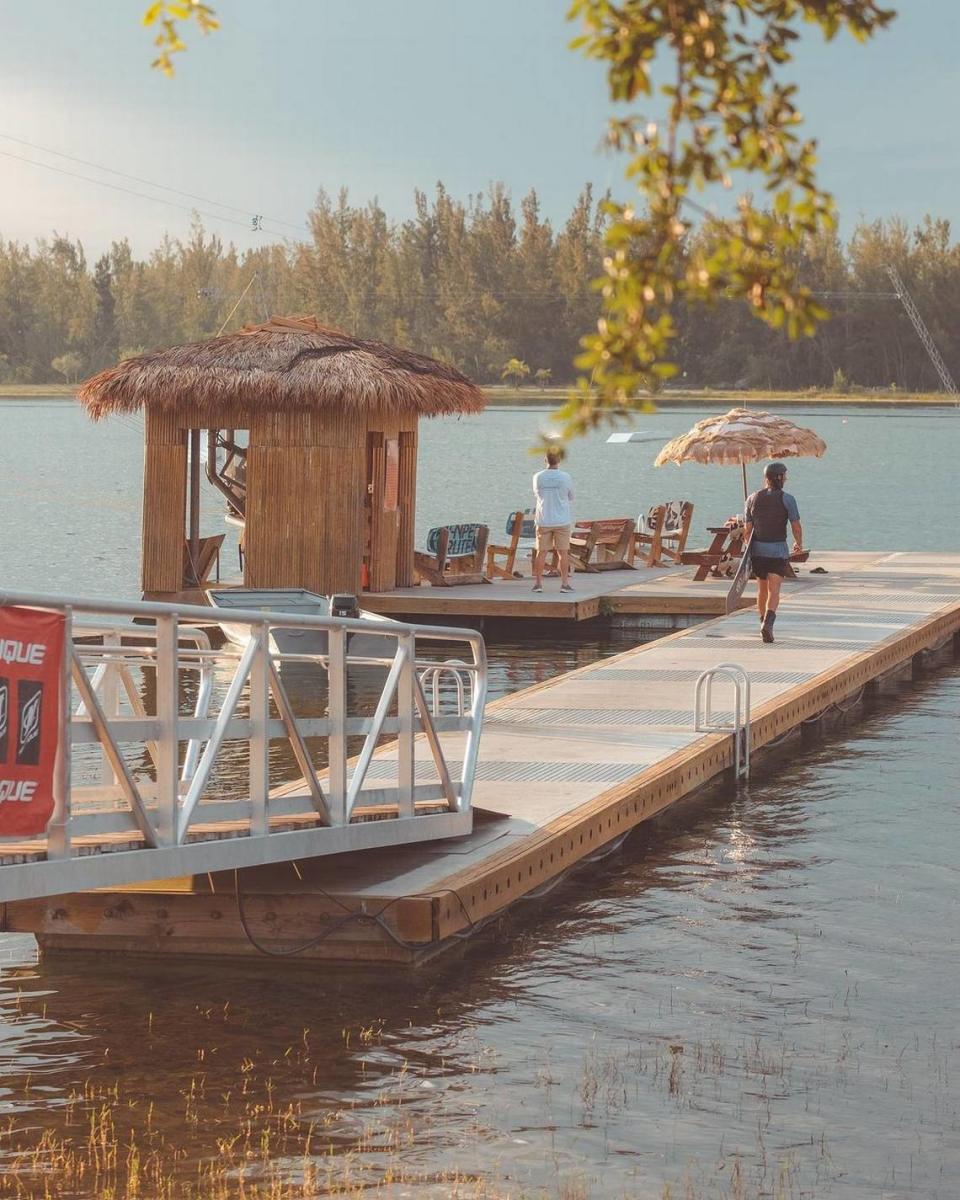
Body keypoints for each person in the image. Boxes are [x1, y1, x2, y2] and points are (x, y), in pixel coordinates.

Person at [743, 461, 803, 643]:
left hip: (758, 551)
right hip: (777, 550)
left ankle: (762, 622)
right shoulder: (788, 499)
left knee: (761, 589)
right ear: (779, 478)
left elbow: (747, 529)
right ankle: (768, 624)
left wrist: (749, 548)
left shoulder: (752, 498)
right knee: (774, 590)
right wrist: (798, 543)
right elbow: (796, 526)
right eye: (784, 475)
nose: (786, 478)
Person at [531, 449, 575, 593]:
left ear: (545, 460)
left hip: (543, 519)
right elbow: (570, 496)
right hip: (562, 520)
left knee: (541, 552)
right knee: (563, 553)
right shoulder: (566, 477)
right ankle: (564, 584)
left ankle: (538, 584)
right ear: (559, 460)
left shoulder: (537, 477)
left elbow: (537, 495)